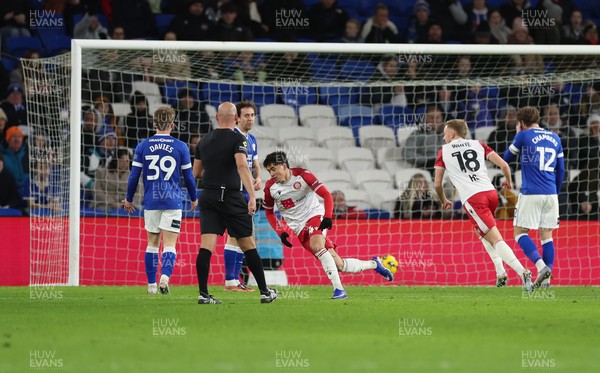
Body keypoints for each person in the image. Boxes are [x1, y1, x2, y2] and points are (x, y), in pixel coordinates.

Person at [262, 151, 394, 300]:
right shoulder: (270, 188)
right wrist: (280, 232)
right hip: (299, 229)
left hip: (314, 216)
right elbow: (269, 212)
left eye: (274, 169)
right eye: (268, 171)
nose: (271, 173)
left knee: (317, 246)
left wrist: (327, 217)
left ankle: (339, 290)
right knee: (340, 265)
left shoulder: (302, 175)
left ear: (284, 166)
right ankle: (374, 264)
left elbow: (326, 195)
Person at [433, 119, 533, 290]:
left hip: (474, 199)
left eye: (444, 133)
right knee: (482, 232)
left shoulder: (444, 151)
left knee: (495, 238)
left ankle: (522, 271)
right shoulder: (478, 144)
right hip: (491, 194)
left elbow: (437, 184)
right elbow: (504, 165)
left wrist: (444, 200)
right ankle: (500, 272)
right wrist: (508, 182)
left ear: (452, 134)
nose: (443, 137)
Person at [193, 102, 277, 304]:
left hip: (209, 196)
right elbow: (241, 166)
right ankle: (265, 292)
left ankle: (203, 294)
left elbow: (195, 173)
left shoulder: (203, 140)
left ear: (216, 118)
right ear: (236, 118)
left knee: (206, 247)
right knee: (248, 244)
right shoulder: (238, 138)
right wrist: (251, 195)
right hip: (231, 197)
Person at [123, 107, 198, 295]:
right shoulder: (181, 146)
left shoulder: (143, 146)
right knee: (170, 244)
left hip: (151, 201)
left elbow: (134, 176)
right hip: (173, 201)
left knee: (152, 244)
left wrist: (128, 198)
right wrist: (194, 197)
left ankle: (151, 286)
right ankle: (165, 278)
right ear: (172, 124)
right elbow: (188, 177)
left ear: (154, 124)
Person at [503, 106, 565, 289]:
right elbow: (561, 170)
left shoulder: (523, 135)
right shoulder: (555, 137)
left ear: (521, 123)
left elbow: (506, 158)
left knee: (520, 233)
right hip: (551, 193)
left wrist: (517, 135)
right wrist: (556, 191)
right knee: (546, 235)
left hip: (531, 193)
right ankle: (546, 281)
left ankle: (541, 267)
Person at [222, 101, 262, 292]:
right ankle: (231, 281)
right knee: (236, 236)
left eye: (252, 115)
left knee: (239, 237)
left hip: (246, 194)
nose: (250, 119)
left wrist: (259, 177)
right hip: (234, 193)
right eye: (246, 115)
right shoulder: (232, 137)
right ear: (237, 117)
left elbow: (255, 164)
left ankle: (234, 281)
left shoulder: (252, 139)